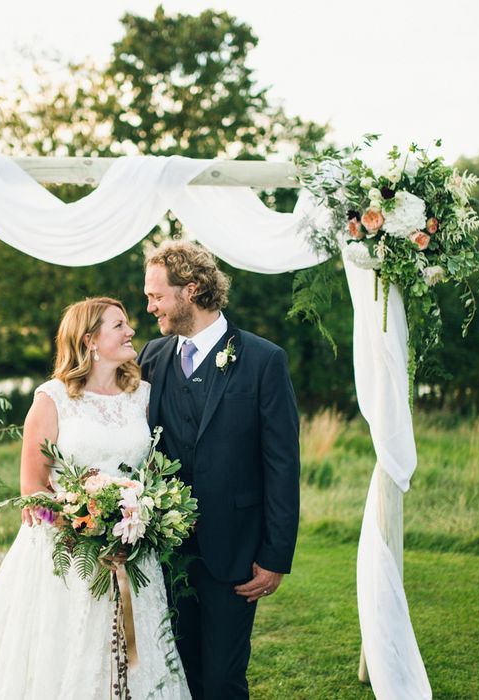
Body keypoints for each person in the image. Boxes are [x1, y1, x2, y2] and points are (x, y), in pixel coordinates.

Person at [0, 297, 190, 700]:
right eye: (119, 325)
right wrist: (82, 524)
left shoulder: (143, 395)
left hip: (132, 548)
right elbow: (32, 490)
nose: (131, 332)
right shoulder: (52, 398)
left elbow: (156, 468)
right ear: (90, 340)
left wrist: (139, 515)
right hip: (67, 556)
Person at [138, 241, 300, 700]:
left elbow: (283, 465)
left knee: (223, 680)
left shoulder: (264, 360)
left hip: (234, 554)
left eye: (157, 296)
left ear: (190, 290)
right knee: (175, 674)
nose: (150, 308)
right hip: (163, 553)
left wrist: (275, 555)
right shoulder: (152, 357)